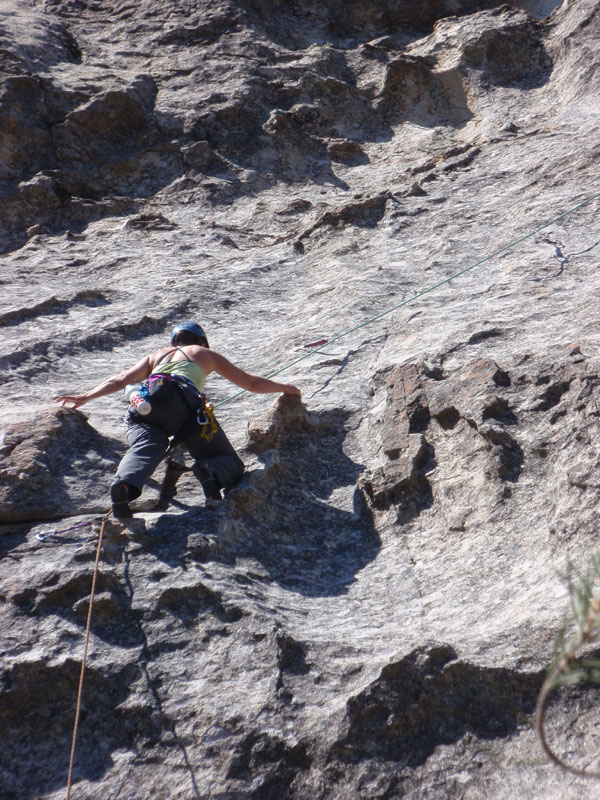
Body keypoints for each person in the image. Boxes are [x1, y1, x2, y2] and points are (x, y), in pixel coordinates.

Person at [56, 322, 301, 517]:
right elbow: (252, 384)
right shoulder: (204, 353)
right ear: (202, 341)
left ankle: (125, 485)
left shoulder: (156, 356)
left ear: (175, 341)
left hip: (145, 403)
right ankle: (210, 469)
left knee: (144, 448)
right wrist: (287, 388)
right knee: (228, 460)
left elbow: (120, 380)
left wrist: (85, 397)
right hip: (183, 403)